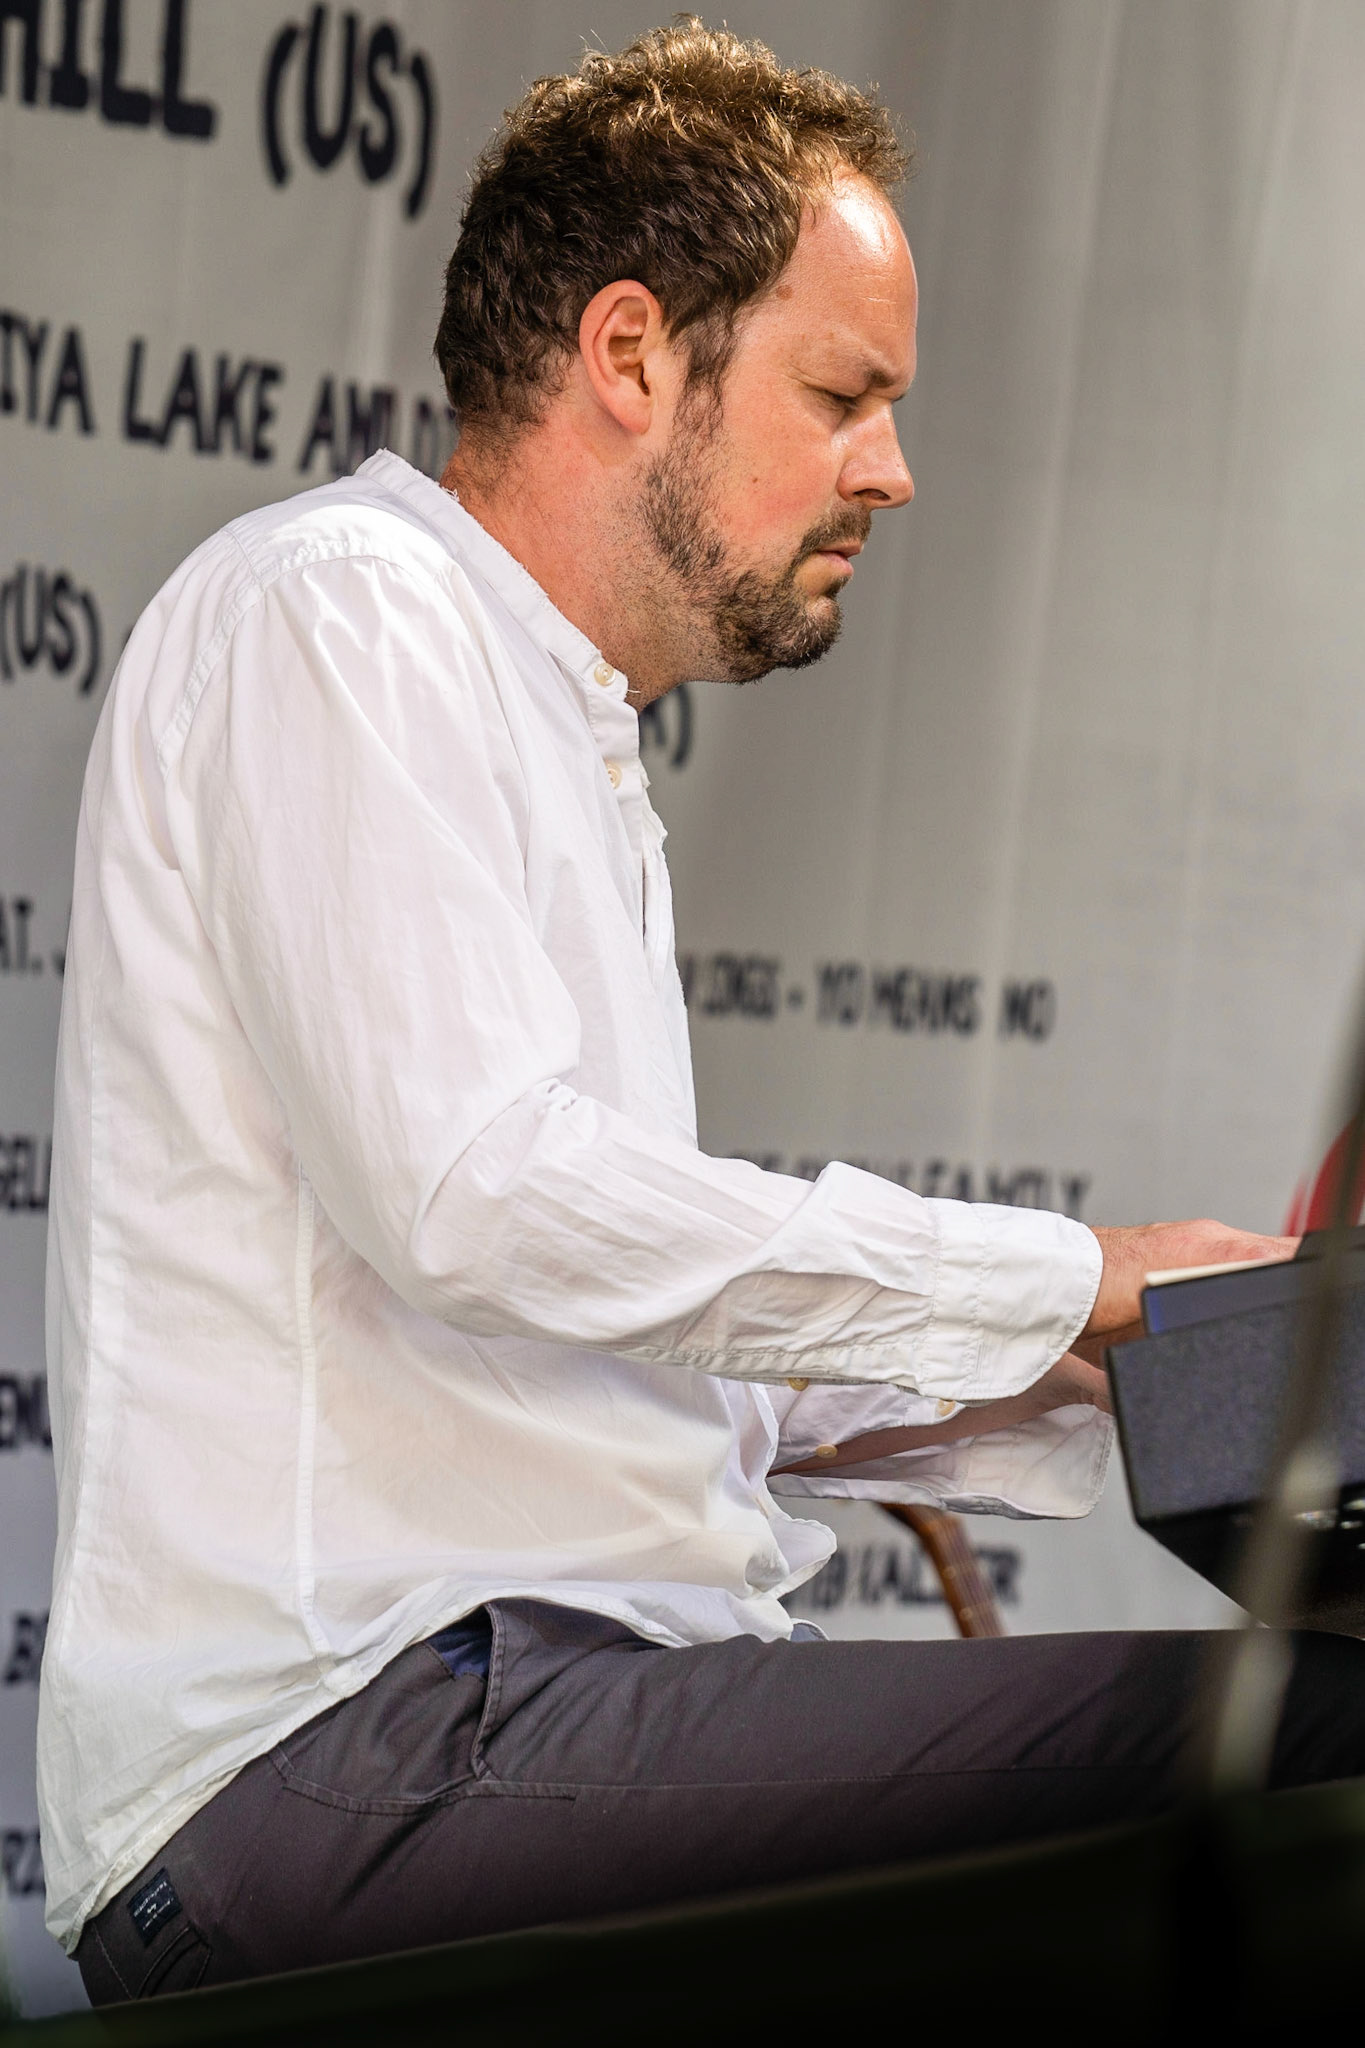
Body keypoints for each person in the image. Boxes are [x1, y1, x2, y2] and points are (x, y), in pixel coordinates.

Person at [43, 19, 1365, 2006]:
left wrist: (1139, 1358)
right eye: (844, 392)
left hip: (481, 1718)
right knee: (1310, 1752)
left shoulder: (547, 721)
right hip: (346, 1748)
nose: (892, 469)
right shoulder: (341, 612)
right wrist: (1069, 1278)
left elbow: (574, 1343)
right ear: (632, 354)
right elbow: (482, 1204)